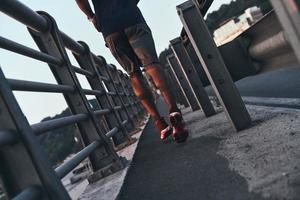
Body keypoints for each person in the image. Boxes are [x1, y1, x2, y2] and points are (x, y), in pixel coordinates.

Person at [75, 0, 188, 143]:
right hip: (132, 18)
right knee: (152, 65)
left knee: (134, 74)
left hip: (109, 26)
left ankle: (159, 122)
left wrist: (92, 17)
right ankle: (173, 110)